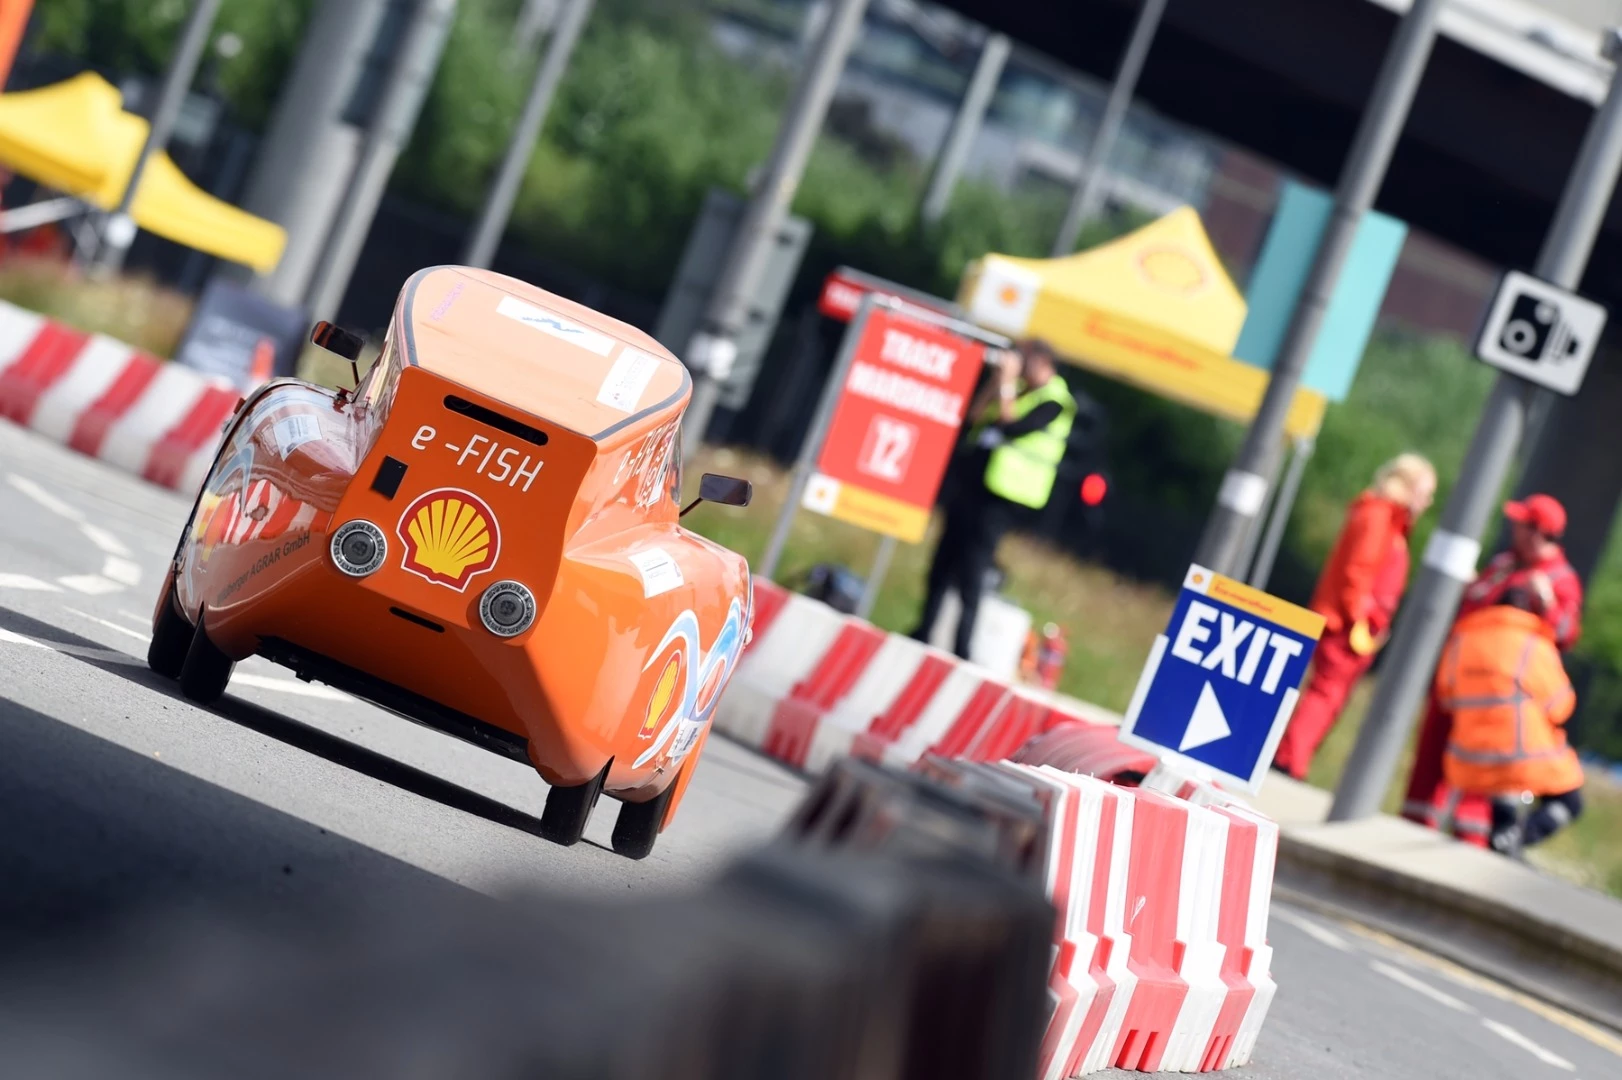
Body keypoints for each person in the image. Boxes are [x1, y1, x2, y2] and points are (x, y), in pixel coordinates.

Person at [1402, 494, 1584, 839]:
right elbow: (1476, 604)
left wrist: (1546, 601)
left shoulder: (1559, 579)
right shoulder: (1505, 563)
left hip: (1500, 694)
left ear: (1539, 533)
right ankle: (1415, 825)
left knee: (1483, 769)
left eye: (1522, 525)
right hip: (1461, 676)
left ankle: (1474, 839)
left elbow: (1565, 634)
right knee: (1431, 760)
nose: (1514, 529)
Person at [908, 338, 1076, 659]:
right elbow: (974, 417)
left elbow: (1012, 426)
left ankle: (962, 648)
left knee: (972, 570)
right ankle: (924, 629)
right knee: (942, 562)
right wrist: (996, 383)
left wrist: (1010, 383)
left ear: (1040, 362)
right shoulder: (1015, 389)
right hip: (973, 486)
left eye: (1022, 361)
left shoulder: (1056, 401)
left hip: (1003, 497)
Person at [1272, 454, 1437, 780]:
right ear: (1406, 486)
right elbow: (1356, 572)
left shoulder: (1390, 520)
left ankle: (1293, 756)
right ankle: (1290, 760)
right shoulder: (1378, 516)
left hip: (1354, 626)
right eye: (1424, 491)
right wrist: (1360, 618)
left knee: (1330, 696)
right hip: (1345, 626)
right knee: (1325, 693)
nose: (1428, 501)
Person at [1434, 587, 1584, 856]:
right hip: (1521, 756)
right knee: (1570, 801)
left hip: (1466, 759)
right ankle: (1516, 837)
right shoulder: (1532, 644)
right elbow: (1561, 706)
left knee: (1504, 797)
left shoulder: (1462, 640)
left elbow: (1446, 695)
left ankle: (1502, 838)